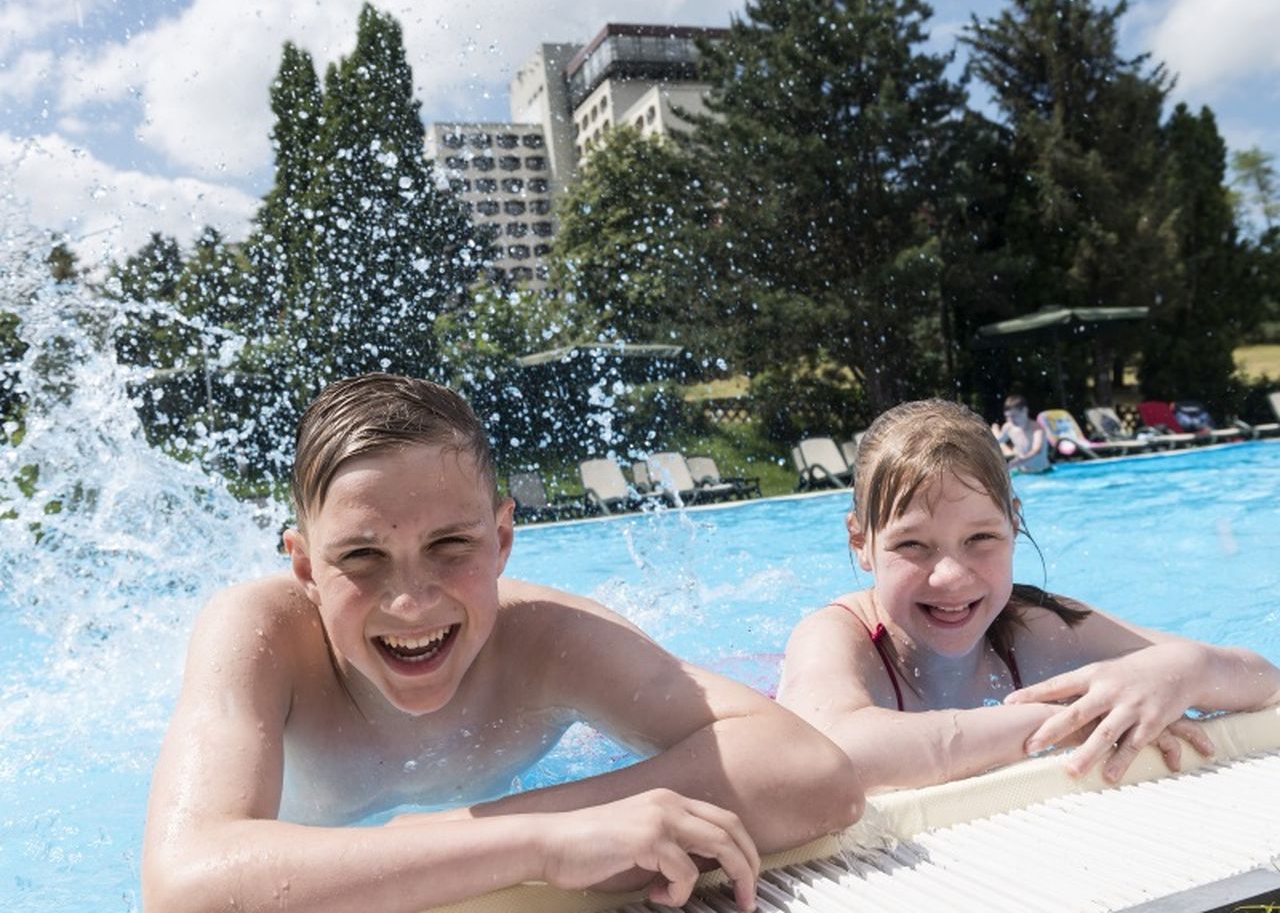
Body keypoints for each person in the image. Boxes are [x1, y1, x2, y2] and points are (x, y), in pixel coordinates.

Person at [142, 374, 860, 913]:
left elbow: (811, 772)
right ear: (304, 566)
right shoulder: (259, 638)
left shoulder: (546, 639)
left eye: (451, 545)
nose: (411, 601)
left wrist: (447, 839)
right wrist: (545, 840)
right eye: (361, 558)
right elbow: (184, 885)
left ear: (504, 539)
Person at [778, 398, 1280, 794]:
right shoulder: (838, 635)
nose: (951, 576)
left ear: (1014, 524)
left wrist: (1186, 671)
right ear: (861, 543)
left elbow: (1267, 684)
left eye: (982, 539)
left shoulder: (1031, 627)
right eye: (912, 545)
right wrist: (1066, 723)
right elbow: (830, 756)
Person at [991, 393, 1051, 473]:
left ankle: (995, 430)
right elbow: (996, 442)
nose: (1010, 420)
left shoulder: (1037, 428)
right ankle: (995, 430)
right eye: (1007, 417)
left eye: (1014, 416)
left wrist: (1020, 461)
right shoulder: (1009, 427)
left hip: (1043, 472)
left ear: (1024, 411)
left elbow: (1037, 450)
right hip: (1023, 472)